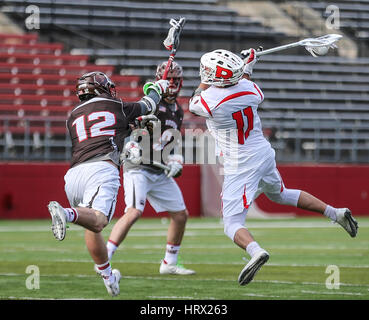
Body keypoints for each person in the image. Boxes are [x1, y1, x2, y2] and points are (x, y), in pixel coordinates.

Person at [188, 49, 358, 286]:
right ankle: (335, 213)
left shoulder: (210, 100)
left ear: (217, 76)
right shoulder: (251, 90)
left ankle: (255, 251)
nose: (204, 74)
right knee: (280, 194)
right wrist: (248, 65)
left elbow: (195, 101)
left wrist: (224, 74)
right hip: (263, 152)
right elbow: (244, 83)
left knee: (231, 224)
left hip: (240, 161)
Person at [47, 71, 169, 296]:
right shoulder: (116, 105)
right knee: (99, 220)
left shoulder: (72, 115)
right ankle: (65, 213)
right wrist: (157, 88)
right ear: (101, 88)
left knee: (91, 224)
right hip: (101, 169)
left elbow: (107, 130)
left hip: (74, 175)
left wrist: (135, 128)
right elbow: (148, 104)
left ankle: (108, 276)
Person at [106, 61, 195, 275]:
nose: (172, 83)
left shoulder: (178, 111)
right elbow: (130, 122)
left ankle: (169, 263)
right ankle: (105, 255)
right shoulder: (153, 102)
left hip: (158, 168)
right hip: (138, 166)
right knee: (134, 211)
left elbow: (171, 142)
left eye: (176, 80)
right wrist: (131, 143)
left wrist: (175, 160)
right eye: (169, 79)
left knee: (180, 215)